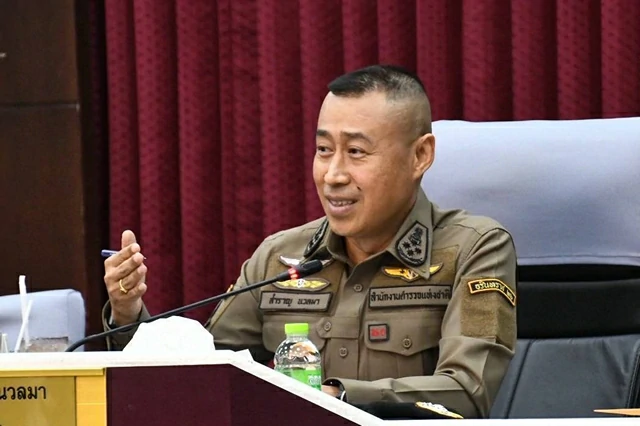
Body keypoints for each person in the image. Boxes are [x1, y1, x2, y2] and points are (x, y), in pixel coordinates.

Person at [102, 65, 517, 418]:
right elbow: (202, 373)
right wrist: (129, 315)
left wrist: (334, 398)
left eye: (356, 152)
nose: (333, 174)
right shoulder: (279, 257)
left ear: (420, 156)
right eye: (323, 149)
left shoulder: (475, 249)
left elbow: (466, 390)